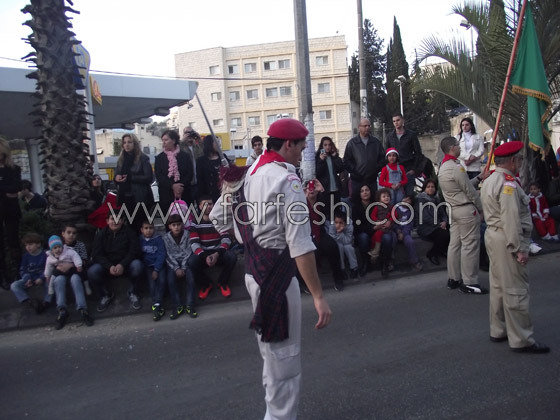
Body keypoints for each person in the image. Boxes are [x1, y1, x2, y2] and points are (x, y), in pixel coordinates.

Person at [209, 118, 331, 420]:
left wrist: (246, 232)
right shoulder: (286, 181)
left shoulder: (248, 173)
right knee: (285, 361)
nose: (302, 153)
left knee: (272, 354)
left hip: (254, 272)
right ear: (288, 144)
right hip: (278, 277)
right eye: (301, 147)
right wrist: (318, 295)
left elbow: (218, 218)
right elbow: (300, 246)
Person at [480, 141, 549, 353]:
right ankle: (521, 338)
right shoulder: (507, 184)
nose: (520, 162)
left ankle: (499, 328)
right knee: (515, 289)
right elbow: (510, 218)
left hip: (494, 235)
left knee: (499, 287)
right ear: (511, 161)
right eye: (518, 159)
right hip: (506, 237)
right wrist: (519, 248)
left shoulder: (491, 179)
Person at [438, 136, 486, 294]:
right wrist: (481, 208)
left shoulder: (444, 167)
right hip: (465, 209)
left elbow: (460, 186)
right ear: (452, 148)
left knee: (455, 245)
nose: (460, 148)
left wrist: (478, 178)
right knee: (470, 245)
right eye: (458, 145)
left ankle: (454, 278)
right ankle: (470, 281)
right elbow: (469, 190)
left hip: (453, 209)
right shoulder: (456, 167)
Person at [88, 214, 144, 312]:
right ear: (107, 221)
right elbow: (97, 254)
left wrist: (122, 264)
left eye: (118, 219)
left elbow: (134, 251)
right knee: (92, 271)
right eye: (112, 219)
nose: (115, 221)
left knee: (138, 266)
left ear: (122, 221)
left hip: (126, 265)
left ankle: (133, 292)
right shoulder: (101, 234)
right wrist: (109, 266)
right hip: (107, 267)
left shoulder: (129, 232)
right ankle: (105, 295)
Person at [188, 196, 236, 299]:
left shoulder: (219, 220)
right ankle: (206, 284)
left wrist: (217, 254)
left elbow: (226, 239)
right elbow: (194, 243)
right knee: (191, 262)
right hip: (203, 253)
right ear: (200, 207)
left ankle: (222, 282)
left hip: (218, 252)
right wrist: (204, 256)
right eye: (205, 204)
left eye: (210, 204)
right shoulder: (195, 222)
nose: (208, 206)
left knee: (232, 257)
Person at [44, 235, 93, 330]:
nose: (57, 249)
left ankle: (83, 309)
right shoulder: (50, 256)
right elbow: (49, 267)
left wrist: (74, 265)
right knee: (58, 280)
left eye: (59, 247)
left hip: (74, 270)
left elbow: (80, 260)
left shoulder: (71, 250)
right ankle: (62, 310)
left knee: (75, 279)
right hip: (60, 273)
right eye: (55, 248)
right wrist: (47, 275)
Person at [114, 133, 154, 229]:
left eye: (129, 142)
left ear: (135, 143)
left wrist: (130, 178)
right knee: (128, 226)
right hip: (124, 197)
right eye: (124, 143)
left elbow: (149, 178)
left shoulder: (143, 158)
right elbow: (117, 174)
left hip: (140, 197)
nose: (126, 145)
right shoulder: (121, 159)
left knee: (140, 224)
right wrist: (116, 178)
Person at [163, 213, 197, 319]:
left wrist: (183, 267)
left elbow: (189, 251)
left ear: (182, 224)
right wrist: (176, 268)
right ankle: (177, 306)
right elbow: (167, 254)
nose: (176, 227)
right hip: (173, 263)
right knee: (170, 280)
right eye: (173, 225)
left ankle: (190, 305)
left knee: (191, 279)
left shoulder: (187, 235)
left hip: (185, 262)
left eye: (178, 224)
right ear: (169, 226)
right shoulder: (166, 238)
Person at [343, 118, 385, 204]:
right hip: (357, 180)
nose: (367, 128)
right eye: (365, 126)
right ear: (359, 127)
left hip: (372, 180)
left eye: (369, 126)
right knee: (356, 204)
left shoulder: (376, 142)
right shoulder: (352, 143)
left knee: (373, 204)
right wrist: (355, 170)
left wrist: (375, 169)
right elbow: (346, 160)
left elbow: (382, 159)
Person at [0, 137, 22, 290]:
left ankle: (18, 273)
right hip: (5, 205)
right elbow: (11, 189)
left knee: (13, 241)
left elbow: (17, 187)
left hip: (11, 210)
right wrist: (7, 191)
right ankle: (3, 276)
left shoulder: (14, 169)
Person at [155, 129, 194, 214]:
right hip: (166, 194)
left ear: (173, 141)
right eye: (162, 140)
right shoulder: (160, 158)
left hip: (184, 192)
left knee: (185, 218)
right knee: (168, 218)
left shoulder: (185, 156)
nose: (164, 142)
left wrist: (180, 186)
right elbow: (158, 175)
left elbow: (190, 173)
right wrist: (172, 185)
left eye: (166, 140)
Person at [384, 113, 423, 196]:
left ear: (403, 120)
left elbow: (418, 153)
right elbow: (386, 154)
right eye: (394, 121)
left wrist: (414, 169)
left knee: (409, 195)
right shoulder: (390, 136)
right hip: (394, 171)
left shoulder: (411, 135)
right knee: (395, 196)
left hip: (408, 169)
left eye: (398, 120)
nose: (396, 123)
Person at [416, 179, 450, 266]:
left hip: (437, 225)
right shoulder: (421, 199)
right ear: (424, 188)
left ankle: (442, 250)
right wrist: (439, 224)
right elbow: (425, 217)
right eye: (428, 187)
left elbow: (443, 213)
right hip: (426, 227)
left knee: (452, 230)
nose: (430, 189)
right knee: (443, 234)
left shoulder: (436, 199)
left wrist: (444, 221)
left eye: (432, 187)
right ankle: (432, 254)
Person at [10, 233, 47, 311]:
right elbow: (23, 269)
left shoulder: (45, 255)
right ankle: (29, 301)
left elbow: (48, 269)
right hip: (29, 278)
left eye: (30, 244)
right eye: (26, 245)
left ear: (38, 244)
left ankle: (45, 303)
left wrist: (41, 278)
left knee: (50, 284)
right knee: (14, 285)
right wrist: (27, 279)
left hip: (42, 277)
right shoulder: (26, 256)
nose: (28, 247)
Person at [139, 220, 168, 321]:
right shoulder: (140, 240)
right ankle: (156, 304)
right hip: (148, 267)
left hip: (159, 265)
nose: (148, 230)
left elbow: (161, 254)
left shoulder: (158, 239)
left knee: (162, 281)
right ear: (142, 230)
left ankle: (157, 304)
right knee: (152, 285)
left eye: (151, 228)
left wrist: (156, 269)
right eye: (146, 228)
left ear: (154, 229)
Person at [369, 188, 397, 277]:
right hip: (380, 226)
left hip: (388, 227)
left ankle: (376, 253)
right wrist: (377, 221)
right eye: (384, 196)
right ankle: (375, 250)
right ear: (379, 199)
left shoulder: (391, 207)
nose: (386, 198)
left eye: (388, 196)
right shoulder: (377, 207)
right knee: (376, 235)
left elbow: (395, 215)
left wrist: (390, 221)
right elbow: (372, 216)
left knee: (385, 237)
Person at [315, 136, 345, 220]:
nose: (327, 147)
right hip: (325, 190)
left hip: (336, 189)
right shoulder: (318, 157)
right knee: (326, 213)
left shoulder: (333, 157)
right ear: (322, 146)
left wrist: (335, 157)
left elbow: (341, 168)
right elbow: (318, 173)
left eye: (329, 145)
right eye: (325, 145)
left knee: (337, 212)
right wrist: (321, 160)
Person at [61, 223, 92, 296]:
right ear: (63, 234)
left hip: (77, 269)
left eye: (74, 233)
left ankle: (86, 285)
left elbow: (84, 260)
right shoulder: (60, 246)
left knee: (79, 273)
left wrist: (71, 265)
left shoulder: (80, 245)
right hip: (63, 269)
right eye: (69, 232)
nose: (71, 235)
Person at [394, 195, 423, 271]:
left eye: (408, 200)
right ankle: (390, 262)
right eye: (405, 199)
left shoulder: (410, 212)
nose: (406, 201)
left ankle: (414, 261)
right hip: (395, 231)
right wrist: (397, 230)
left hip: (405, 232)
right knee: (391, 241)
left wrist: (403, 233)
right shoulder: (396, 209)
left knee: (410, 242)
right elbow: (392, 222)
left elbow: (410, 225)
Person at [327, 211, 359, 279]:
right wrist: (339, 234)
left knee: (348, 248)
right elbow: (332, 238)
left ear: (345, 222)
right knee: (339, 247)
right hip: (337, 243)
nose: (338, 225)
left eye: (340, 223)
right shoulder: (332, 226)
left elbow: (348, 240)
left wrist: (340, 233)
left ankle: (354, 268)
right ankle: (342, 269)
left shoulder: (350, 226)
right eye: (336, 222)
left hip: (348, 242)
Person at [353, 184, 375, 276]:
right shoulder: (356, 207)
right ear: (359, 194)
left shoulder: (376, 205)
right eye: (362, 191)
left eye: (367, 190)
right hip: (362, 232)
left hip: (376, 231)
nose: (365, 192)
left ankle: (385, 264)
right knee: (363, 237)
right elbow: (357, 226)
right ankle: (366, 263)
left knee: (387, 237)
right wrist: (371, 228)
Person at [196, 135, 226, 203]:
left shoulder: (223, 158)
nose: (219, 144)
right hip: (208, 194)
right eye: (216, 142)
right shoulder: (201, 161)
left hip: (222, 193)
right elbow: (200, 181)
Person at [180, 127, 204, 203]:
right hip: (188, 183)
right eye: (187, 133)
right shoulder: (181, 147)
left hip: (199, 182)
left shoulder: (197, 147)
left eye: (191, 132)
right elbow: (175, 150)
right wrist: (183, 140)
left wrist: (199, 139)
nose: (189, 135)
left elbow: (205, 152)